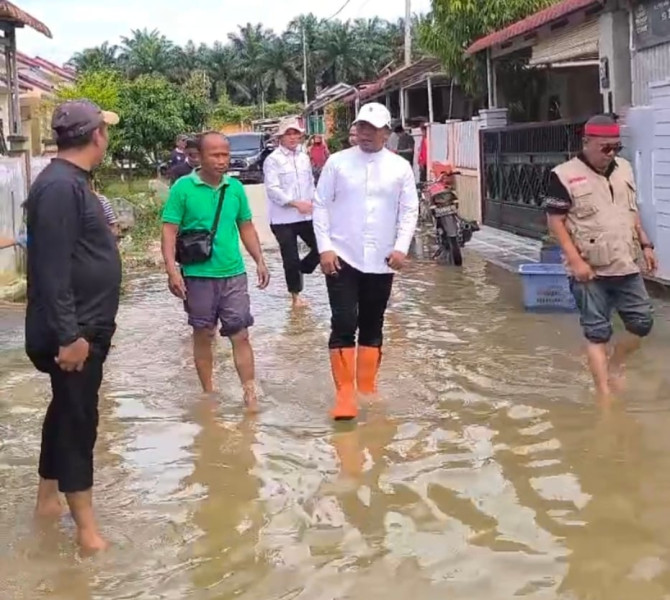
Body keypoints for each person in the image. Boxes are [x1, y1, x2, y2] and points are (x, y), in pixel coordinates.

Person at [24, 99, 121, 553]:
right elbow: (50, 270)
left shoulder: (71, 183)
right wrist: (69, 336)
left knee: (64, 410)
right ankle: (88, 533)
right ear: (97, 135)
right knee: (80, 420)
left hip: (81, 328)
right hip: (74, 334)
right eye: (106, 130)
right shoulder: (60, 187)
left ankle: (48, 502)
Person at [313, 102, 419, 420]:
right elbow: (320, 205)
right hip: (342, 256)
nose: (366, 134)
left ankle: (367, 387)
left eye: (373, 129)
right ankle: (345, 394)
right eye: (361, 127)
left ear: (387, 132)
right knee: (344, 322)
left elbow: (409, 210)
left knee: (372, 324)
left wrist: (401, 247)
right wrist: (324, 248)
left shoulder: (400, 168)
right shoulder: (338, 163)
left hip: (382, 258)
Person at [544, 114, 657, 399]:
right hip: (589, 269)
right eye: (605, 147)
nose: (611, 153)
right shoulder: (563, 175)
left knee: (642, 323)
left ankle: (616, 363)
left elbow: (631, 211)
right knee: (597, 332)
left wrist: (646, 244)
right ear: (586, 142)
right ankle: (604, 397)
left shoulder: (625, 169)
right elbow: (555, 222)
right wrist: (576, 262)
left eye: (616, 147)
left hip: (625, 262)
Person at [161, 132, 270, 409]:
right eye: (216, 155)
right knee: (203, 334)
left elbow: (245, 225)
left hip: (233, 274)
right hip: (197, 276)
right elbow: (169, 231)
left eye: (226, 154)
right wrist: (172, 271)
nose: (223, 161)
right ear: (200, 156)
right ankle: (209, 394)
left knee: (241, 334)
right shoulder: (183, 188)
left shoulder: (234, 188)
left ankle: (249, 393)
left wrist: (259, 259)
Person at [263, 117, 320, 309]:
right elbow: (272, 189)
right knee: (290, 257)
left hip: (305, 215)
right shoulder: (273, 160)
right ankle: (295, 296)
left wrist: (314, 203)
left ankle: (303, 268)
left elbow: (310, 183)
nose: (293, 137)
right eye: (289, 133)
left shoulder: (304, 158)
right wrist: (295, 203)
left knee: (322, 245)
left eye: (296, 133)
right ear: (281, 137)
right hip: (282, 218)